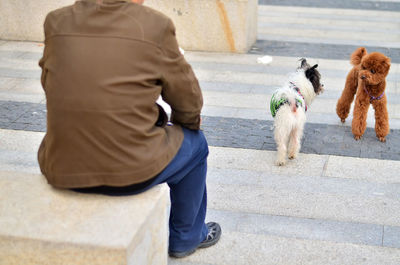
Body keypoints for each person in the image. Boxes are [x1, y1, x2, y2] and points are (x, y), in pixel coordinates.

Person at [38, 0, 221, 258]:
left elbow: (52, 85)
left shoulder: (55, 21)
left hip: (60, 165)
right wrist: (185, 125)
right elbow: (188, 99)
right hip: (130, 170)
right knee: (197, 146)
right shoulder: (154, 25)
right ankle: (186, 237)